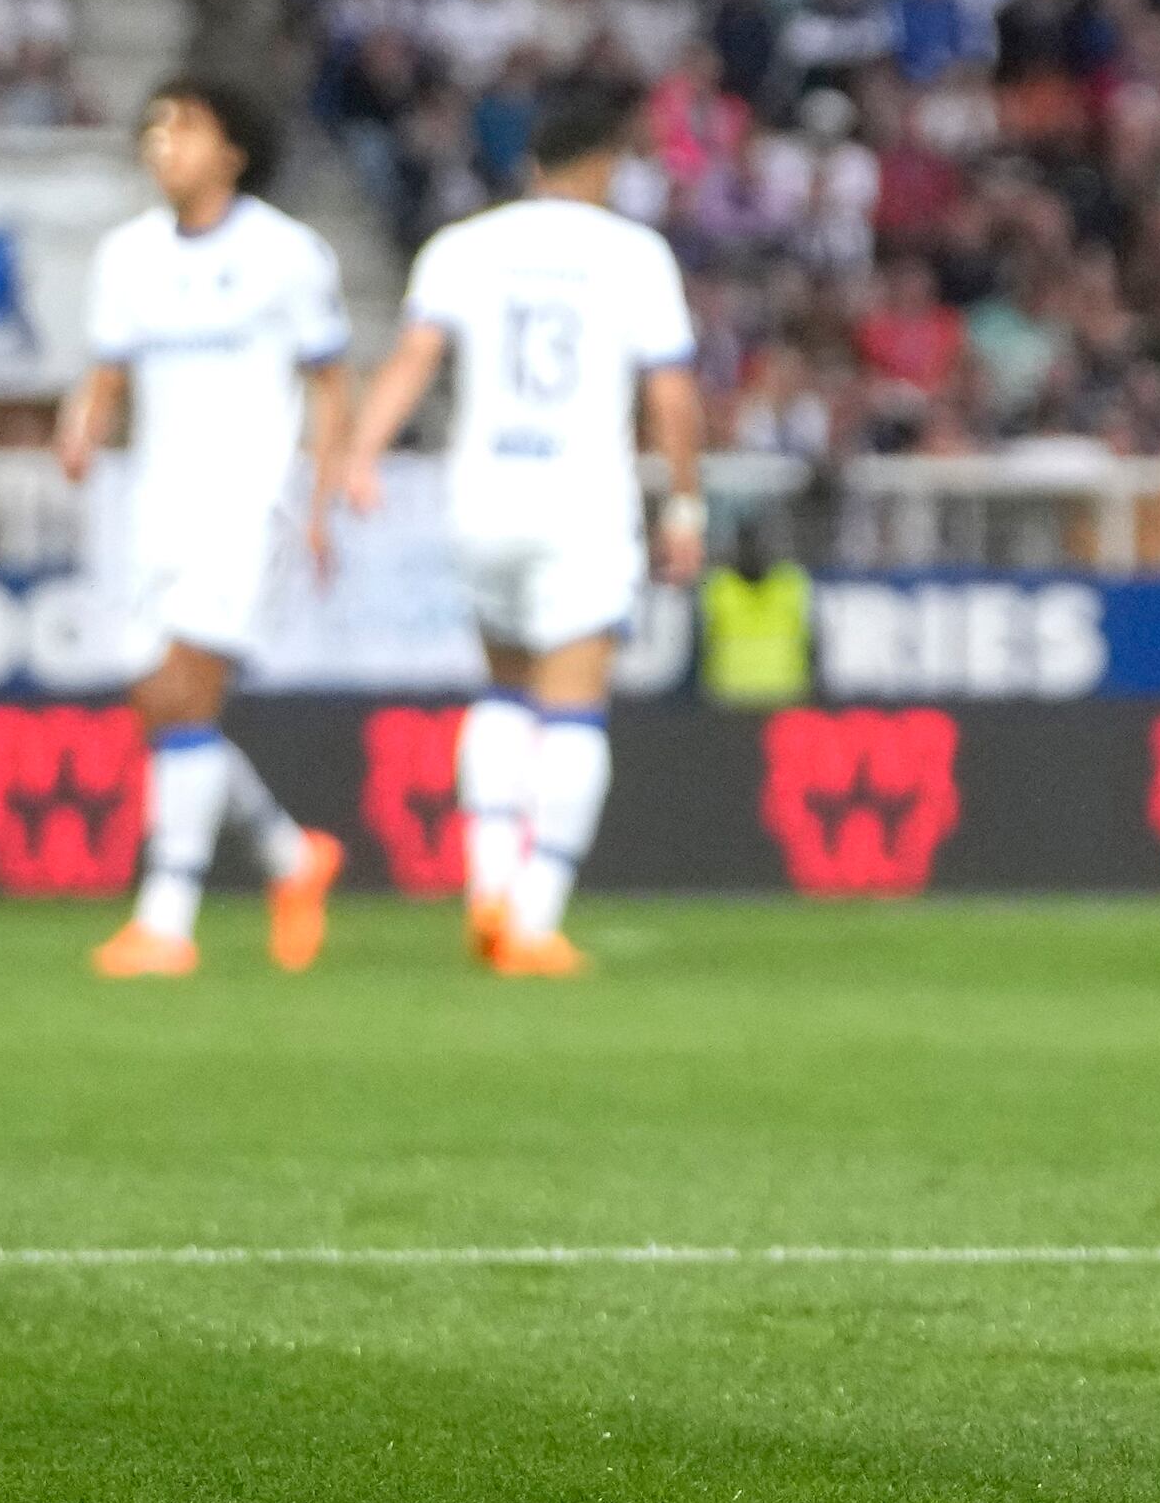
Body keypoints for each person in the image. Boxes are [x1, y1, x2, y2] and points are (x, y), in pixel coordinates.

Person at [331, 74, 705, 974]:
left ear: (533, 161)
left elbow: (414, 356)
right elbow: (671, 391)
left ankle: (488, 888)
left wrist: (359, 453)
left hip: (483, 500)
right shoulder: (633, 254)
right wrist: (684, 502)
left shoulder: (467, 246)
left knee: (502, 693)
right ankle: (533, 919)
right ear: (607, 164)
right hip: (580, 504)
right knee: (573, 707)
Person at [55, 76, 350, 978]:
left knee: (187, 690)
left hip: (245, 500)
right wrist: (81, 427)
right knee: (161, 702)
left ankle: (166, 919)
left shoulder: (288, 254)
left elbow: (329, 383)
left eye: (181, 128)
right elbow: (108, 371)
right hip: (154, 506)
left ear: (232, 150)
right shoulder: (127, 256)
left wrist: (323, 502)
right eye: (152, 130)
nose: (161, 145)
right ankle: (291, 856)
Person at [696, 509, 816, 710]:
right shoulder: (719, 585)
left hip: (779, 697)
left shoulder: (791, 582)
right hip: (732, 698)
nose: (754, 551)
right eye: (748, 544)